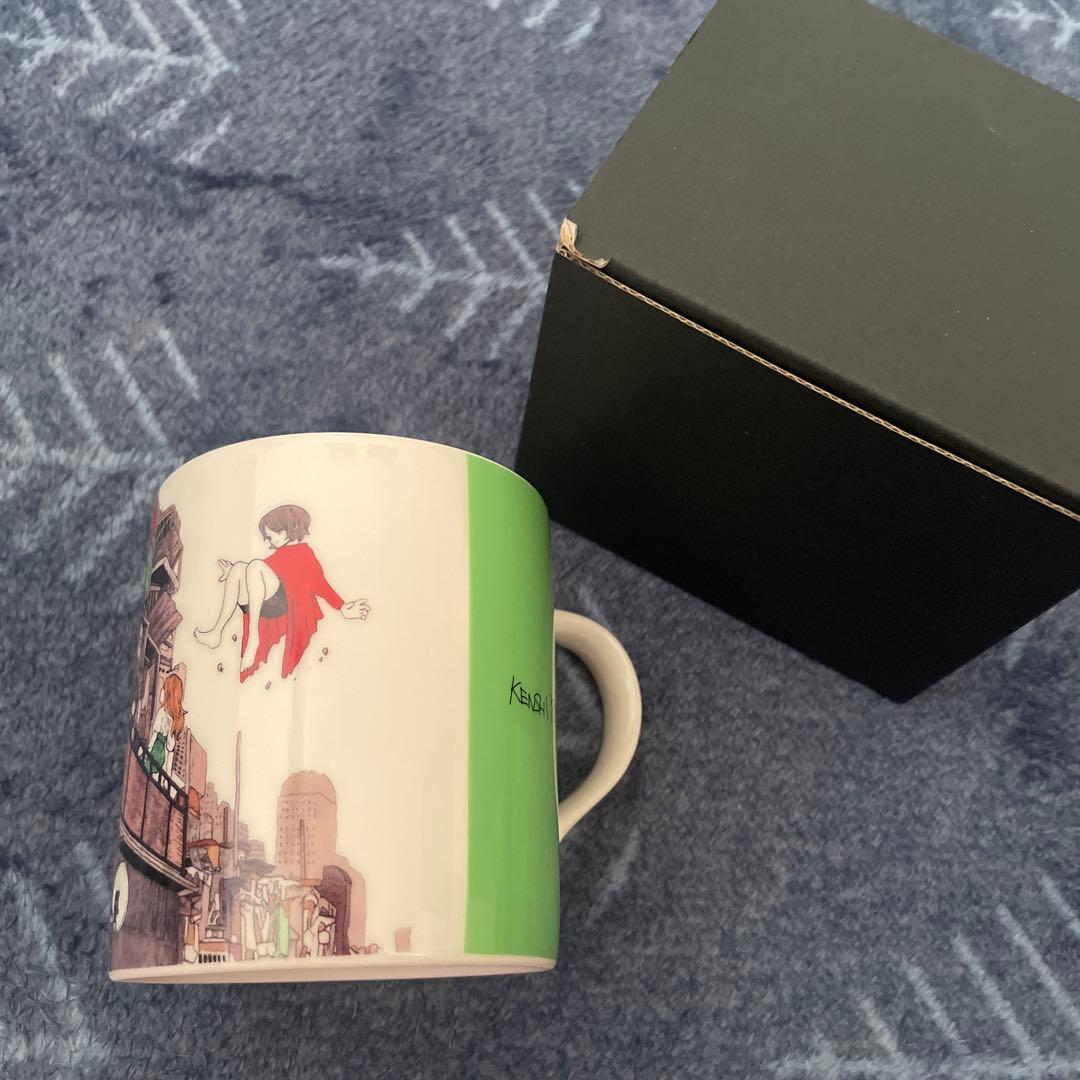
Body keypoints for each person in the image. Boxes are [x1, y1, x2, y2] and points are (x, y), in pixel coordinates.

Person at [193, 504, 370, 681]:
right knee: (239, 568)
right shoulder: (277, 556)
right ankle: (216, 633)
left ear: (285, 532)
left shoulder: (305, 554)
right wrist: (233, 574)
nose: (269, 542)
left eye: (270, 537)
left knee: (254, 566)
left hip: (280, 604)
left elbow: (321, 585)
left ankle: (254, 640)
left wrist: (342, 607)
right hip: (264, 602)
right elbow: (259, 574)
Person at [148, 672, 186, 778]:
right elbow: (170, 747)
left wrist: (145, 751)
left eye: (164, 689)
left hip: (156, 755)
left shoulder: (162, 712)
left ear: (168, 694)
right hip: (165, 762)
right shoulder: (176, 719)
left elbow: (153, 738)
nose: (161, 691)